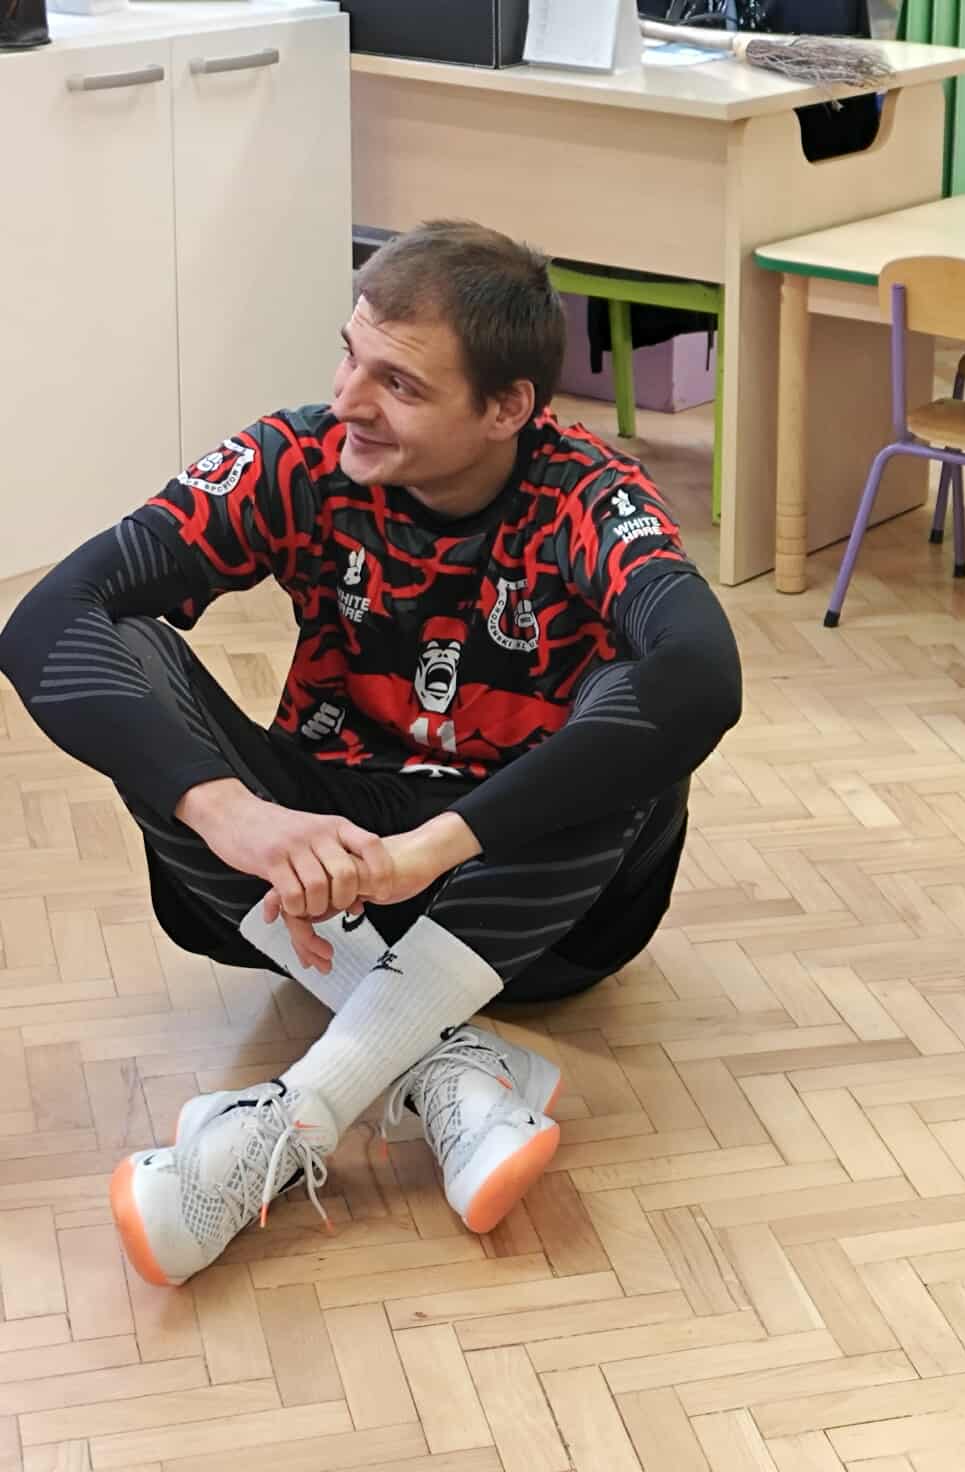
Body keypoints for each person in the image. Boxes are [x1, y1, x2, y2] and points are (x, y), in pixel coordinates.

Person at [0, 220, 742, 1287]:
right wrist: (233, 813)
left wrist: (432, 849)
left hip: (539, 914)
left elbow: (703, 677)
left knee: (642, 706)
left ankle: (298, 1113)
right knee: (124, 643)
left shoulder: (588, 493)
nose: (349, 398)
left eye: (398, 383)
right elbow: (48, 618)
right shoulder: (300, 457)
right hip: (318, 884)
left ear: (508, 408)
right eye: (349, 355)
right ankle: (448, 1065)